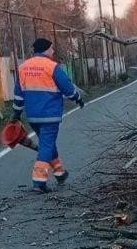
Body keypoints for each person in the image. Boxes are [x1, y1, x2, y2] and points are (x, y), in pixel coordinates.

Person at [12, 37, 84, 192]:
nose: (53, 51)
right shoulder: (52, 67)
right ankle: (39, 182)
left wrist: (16, 114)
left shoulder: (23, 67)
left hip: (32, 116)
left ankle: (60, 173)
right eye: (51, 48)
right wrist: (77, 98)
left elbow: (18, 94)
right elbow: (67, 87)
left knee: (47, 143)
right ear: (45, 49)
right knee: (46, 145)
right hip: (49, 114)